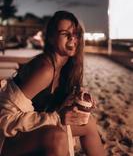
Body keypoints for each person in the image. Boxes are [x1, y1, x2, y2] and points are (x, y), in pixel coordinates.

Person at [0, 11, 105, 156]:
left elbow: (52, 108)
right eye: (65, 33)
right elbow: (5, 119)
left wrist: (77, 103)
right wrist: (57, 118)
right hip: (7, 140)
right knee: (57, 137)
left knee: (89, 123)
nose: (72, 38)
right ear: (50, 37)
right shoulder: (45, 69)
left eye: (76, 34)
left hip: (32, 132)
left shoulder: (67, 69)